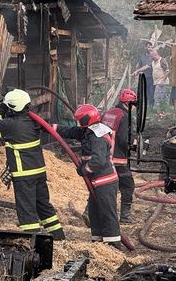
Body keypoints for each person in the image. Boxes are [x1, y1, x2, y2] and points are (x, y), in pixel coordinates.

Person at [0, 89, 66, 240]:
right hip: (39, 172)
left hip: (23, 174)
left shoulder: (10, 125)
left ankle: (33, 240)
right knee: (43, 205)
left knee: (26, 209)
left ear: (12, 107)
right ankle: (58, 237)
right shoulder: (33, 121)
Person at [53, 104, 122, 250]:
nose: (78, 124)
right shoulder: (88, 132)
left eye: (79, 120)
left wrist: (84, 169)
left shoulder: (97, 136)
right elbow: (71, 131)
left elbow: (98, 161)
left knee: (107, 213)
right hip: (97, 182)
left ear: (86, 120)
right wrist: (50, 127)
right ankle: (97, 244)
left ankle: (113, 245)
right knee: (94, 212)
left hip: (105, 181)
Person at [101, 89, 137, 223]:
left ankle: (89, 211)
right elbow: (123, 139)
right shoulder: (124, 116)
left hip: (104, 156)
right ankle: (125, 216)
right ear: (128, 103)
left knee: (104, 186)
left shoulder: (108, 113)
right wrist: (135, 144)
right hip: (118, 158)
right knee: (128, 186)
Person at [132, 42, 155, 108]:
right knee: (145, 90)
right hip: (144, 77)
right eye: (148, 47)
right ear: (145, 48)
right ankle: (146, 105)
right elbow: (140, 66)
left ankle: (151, 105)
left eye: (150, 47)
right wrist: (137, 73)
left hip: (152, 77)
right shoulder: (141, 56)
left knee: (152, 91)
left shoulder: (153, 56)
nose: (149, 48)